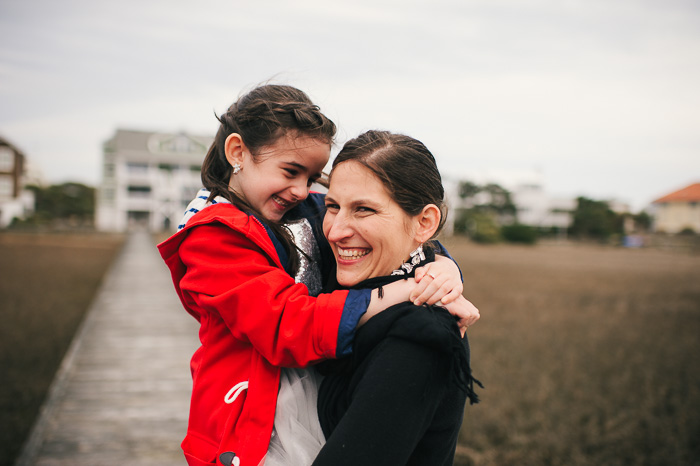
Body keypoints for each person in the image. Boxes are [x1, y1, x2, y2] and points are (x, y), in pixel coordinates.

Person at [158, 84, 478, 466]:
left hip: (295, 394)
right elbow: (286, 322)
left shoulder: (299, 210)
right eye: (291, 171)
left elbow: (406, 240)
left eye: (311, 179)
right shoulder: (213, 236)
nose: (300, 190)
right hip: (246, 414)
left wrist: (441, 267)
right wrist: (401, 291)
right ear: (238, 152)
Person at [311, 130, 481, 466]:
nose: (335, 230)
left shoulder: (420, 337)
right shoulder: (338, 281)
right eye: (332, 206)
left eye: (364, 210)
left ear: (425, 222)